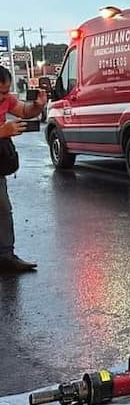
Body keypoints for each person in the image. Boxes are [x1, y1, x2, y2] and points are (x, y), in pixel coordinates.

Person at [0, 65, 47, 274]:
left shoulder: (7, 100)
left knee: (3, 209)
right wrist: (2, 131)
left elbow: (25, 111)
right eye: (1, 92)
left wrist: (37, 106)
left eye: (7, 91)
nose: (5, 97)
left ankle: (6, 257)